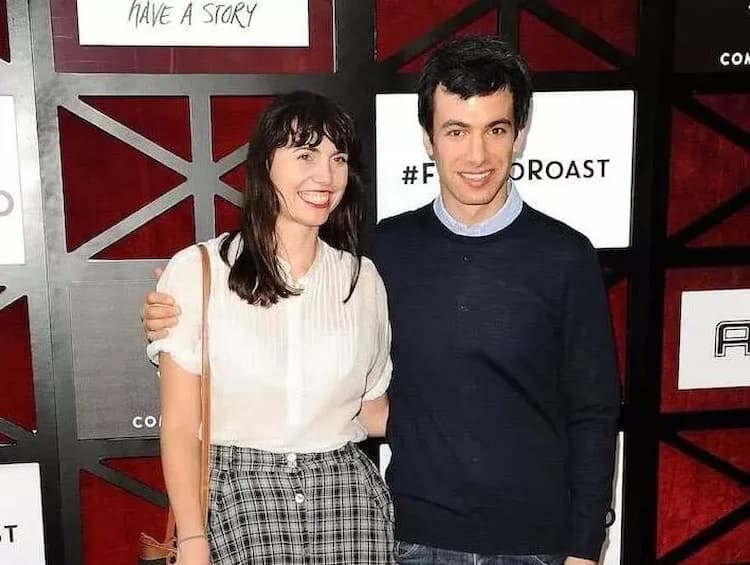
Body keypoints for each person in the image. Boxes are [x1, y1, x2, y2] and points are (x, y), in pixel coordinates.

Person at [143, 37, 621, 565]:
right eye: (456, 131)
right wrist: (172, 307)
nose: (477, 155)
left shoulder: (564, 256)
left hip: (532, 542)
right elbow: (263, 336)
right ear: (428, 139)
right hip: (411, 536)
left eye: (497, 129)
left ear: (520, 136)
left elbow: (594, 411)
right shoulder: (382, 254)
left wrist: (584, 546)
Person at [147, 90, 395, 565]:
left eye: (337, 158)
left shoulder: (362, 281)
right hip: (238, 492)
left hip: (347, 497)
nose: (325, 175)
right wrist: (194, 538)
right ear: (265, 164)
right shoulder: (201, 270)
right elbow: (180, 426)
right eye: (305, 155)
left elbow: (370, 410)